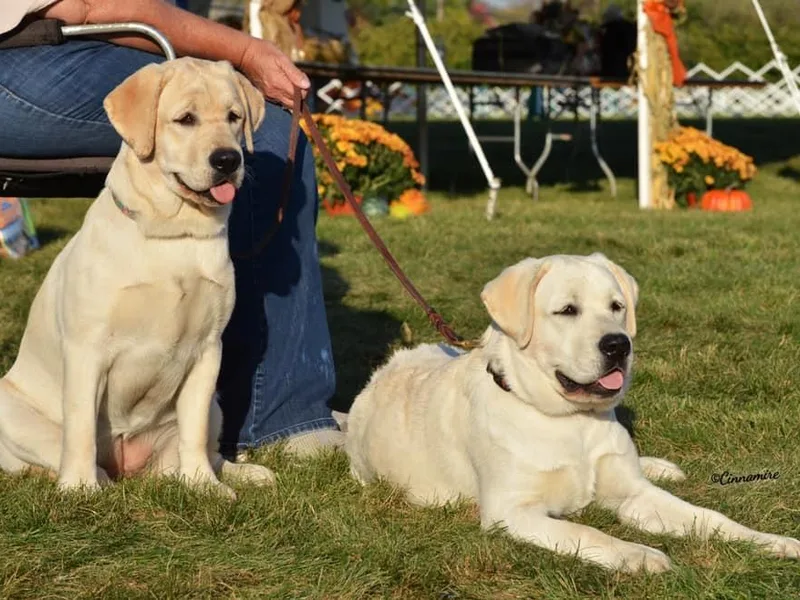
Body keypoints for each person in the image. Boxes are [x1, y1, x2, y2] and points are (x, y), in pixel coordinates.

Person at [0, 0, 342, 457]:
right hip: (24, 57)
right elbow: (98, 6)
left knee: (223, 112)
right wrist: (244, 50)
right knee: (278, 134)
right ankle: (278, 417)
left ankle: (198, 422)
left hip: (68, 49)